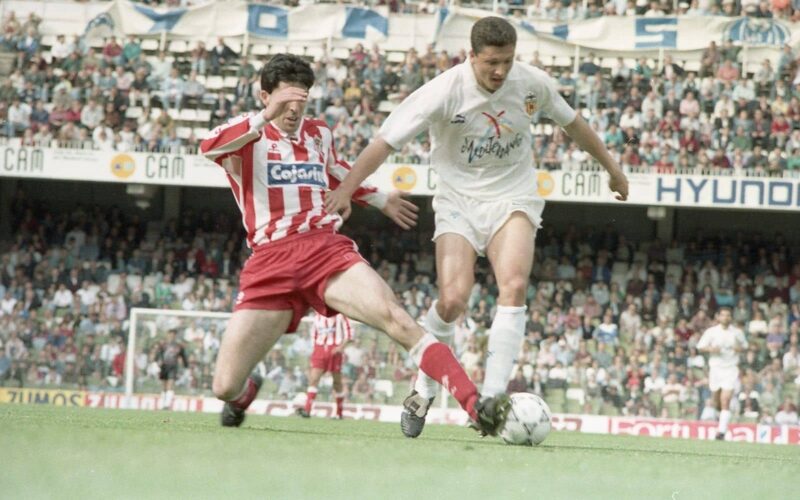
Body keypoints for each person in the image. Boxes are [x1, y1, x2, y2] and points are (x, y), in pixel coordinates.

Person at [325, 16, 629, 438]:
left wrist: (613, 169)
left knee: (514, 286)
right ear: (471, 56)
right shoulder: (443, 91)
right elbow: (385, 141)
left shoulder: (532, 83)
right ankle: (424, 386)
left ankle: (491, 400)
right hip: (458, 202)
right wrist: (346, 189)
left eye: (507, 61)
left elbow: (573, 123)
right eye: (491, 63)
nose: (500, 71)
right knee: (452, 300)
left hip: (513, 196)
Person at [199, 54, 509, 436]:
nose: (294, 110)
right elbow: (208, 147)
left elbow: (337, 172)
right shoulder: (248, 134)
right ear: (265, 97)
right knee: (224, 386)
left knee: (396, 318)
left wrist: (379, 199)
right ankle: (244, 394)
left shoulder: (318, 133)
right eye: (285, 101)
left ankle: (475, 405)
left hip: (323, 249)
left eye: (301, 100)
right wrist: (266, 116)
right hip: (271, 260)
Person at [697, 307, 748, 440]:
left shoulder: (737, 332)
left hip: (730, 369)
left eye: (728, 315)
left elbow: (745, 346)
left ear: (731, 317)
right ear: (718, 317)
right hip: (716, 369)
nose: (726, 317)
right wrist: (711, 349)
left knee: (725, 399)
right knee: (716, 401)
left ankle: (721, 431)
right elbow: (700, 346)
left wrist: (739, 348)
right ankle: (720, 419)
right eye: (723, 315)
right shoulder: (711, 332)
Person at [297, 312, 353, 419]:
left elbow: (350, 333)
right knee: (314, 379)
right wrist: (315, 349)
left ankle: (339, 412)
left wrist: (341, 347)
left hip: (335, 349)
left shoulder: (340, 316)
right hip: (320, 349)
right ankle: (307, 410)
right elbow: (314, 334)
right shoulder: (317, 317)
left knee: (337, 382)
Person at [155, 329, 188, 410]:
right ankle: (162, 403)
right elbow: (158, 355)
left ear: (175, 336)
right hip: (164, 367)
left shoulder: (178, 346)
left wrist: (186, 366)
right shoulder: (163, 345)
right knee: (164, 386)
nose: (171, 336)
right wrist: (158, 361)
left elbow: (183, 356)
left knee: (170, 384)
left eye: (173, 335)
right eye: (170, 334)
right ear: (168, 335)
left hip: (173, 367)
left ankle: (167, 405)